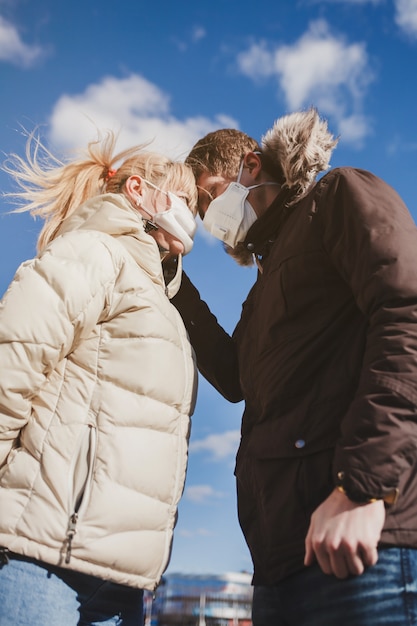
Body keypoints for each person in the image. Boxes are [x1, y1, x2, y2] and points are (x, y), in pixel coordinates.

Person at [171, 108, 417, 625]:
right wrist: (173, 280)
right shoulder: (264, 283)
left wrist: (363, 488)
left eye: (211, 193)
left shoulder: (338, 197)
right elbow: (236, 380)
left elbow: (406, 314)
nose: (208, 214)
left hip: (362, 543)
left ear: (252, 166)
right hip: (281, 560)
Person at [0, 130, 198, 626]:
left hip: (120, 575)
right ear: (137, 191)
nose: (191, 213)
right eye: (182, 198)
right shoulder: (93, 253)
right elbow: (12, 364)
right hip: (43, 554)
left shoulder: (162, 300)